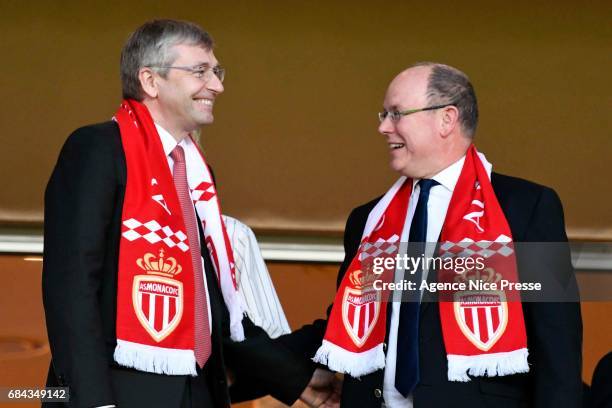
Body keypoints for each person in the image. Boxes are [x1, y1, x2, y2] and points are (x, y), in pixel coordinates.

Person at [42, 19, 338, 408]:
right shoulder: (98, 149)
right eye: (201, 71)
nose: (217, 85)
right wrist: (94, 403)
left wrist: (296, 377)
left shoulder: (195, 172)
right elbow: (72, 288)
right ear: (150, 80)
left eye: (217, 72)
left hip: (198, 393)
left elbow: (212, 305)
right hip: (123, 394)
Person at [285, 62, 583, 407]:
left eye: (396, 114)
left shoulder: (526, 207)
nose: (383, 127)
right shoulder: (368, 220)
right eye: (383, 114)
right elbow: (345, 323)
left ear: (447, 118)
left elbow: (557, 342)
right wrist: (256, 361)